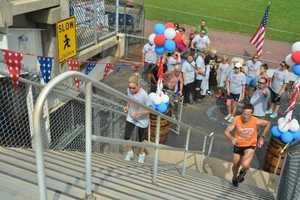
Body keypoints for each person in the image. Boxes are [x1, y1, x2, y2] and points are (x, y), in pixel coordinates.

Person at [224, 104, 271, 187]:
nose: (245, 116)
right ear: (242, 112)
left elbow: (268, 123)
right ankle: (235, 178)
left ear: (251, 114)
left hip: (250, 145)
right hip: (238, 145)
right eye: (244, 114)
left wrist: (262, 137)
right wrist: (232, 138)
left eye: (248, 114)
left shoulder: (255, 120)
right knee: (235, 164)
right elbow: (227, 131)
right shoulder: (236, 119)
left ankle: (243, 171)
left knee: (245, 164)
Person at [124, 75, 152, 164]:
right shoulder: (128, 90)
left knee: (141, 139)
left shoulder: (144, 95)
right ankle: (130, 152)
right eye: (130, 88)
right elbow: (129, 99)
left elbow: (149, 109)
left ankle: (141, 154)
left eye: (133, 88)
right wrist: (127, 107)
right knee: (126, 136)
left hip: (142, 119)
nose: (131, 90)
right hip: (131, 116)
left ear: (139, 86)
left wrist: (139, 113)